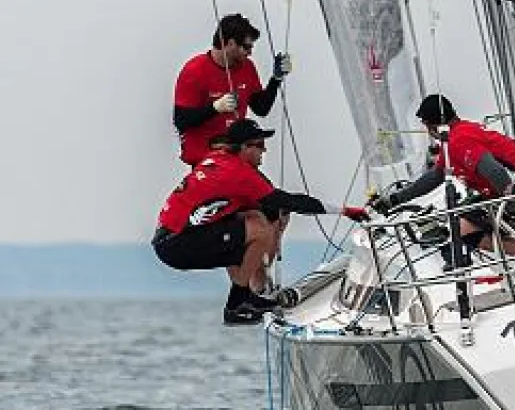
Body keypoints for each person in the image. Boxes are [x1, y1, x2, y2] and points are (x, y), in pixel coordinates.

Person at [152, 119, 369, 325]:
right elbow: (289, 201)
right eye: (260, 145)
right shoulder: (238, 173)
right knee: (259, 229)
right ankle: (237, 304)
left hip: (172, 238)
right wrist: (345, 211)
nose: (264, 151)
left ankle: (247, 294)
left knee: (253, 219)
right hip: (176, 244)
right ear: (245, 148)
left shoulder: (220, 159)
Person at [372, 94, 515, 260]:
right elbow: (435, 177)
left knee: (463, 228)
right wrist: (395, 199)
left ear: (433, 126)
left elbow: (496, 172)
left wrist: (511, 208)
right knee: (462, 217)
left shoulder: (459, 141)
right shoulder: (458, 135)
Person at [173, 13, 293, 166]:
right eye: (246, 47)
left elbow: (261, 108)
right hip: (207, 161)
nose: (250, 52)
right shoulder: (195, 70)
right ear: (230, 43)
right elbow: (181, 121)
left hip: (235, 157)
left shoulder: (247, 67)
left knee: (265, 189)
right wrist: (215, 107)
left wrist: (276, 79)